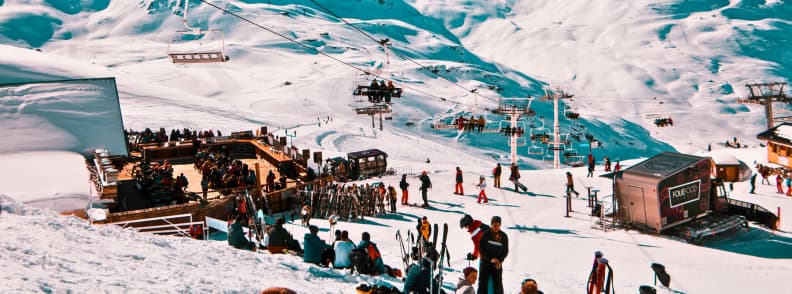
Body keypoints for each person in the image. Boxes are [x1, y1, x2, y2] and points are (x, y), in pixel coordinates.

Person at [478, 216, 508, 294]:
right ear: (491, 224)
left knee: (498, 284)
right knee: (482, 283)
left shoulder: (503, 236)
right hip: (485, 262)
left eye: (498, 225)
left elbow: (505, 251)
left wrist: (500, 261)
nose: (496, 227)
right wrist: (490, 259)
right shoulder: (485, 234)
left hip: (497, 263)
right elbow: (481, 249)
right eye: (494, 225)